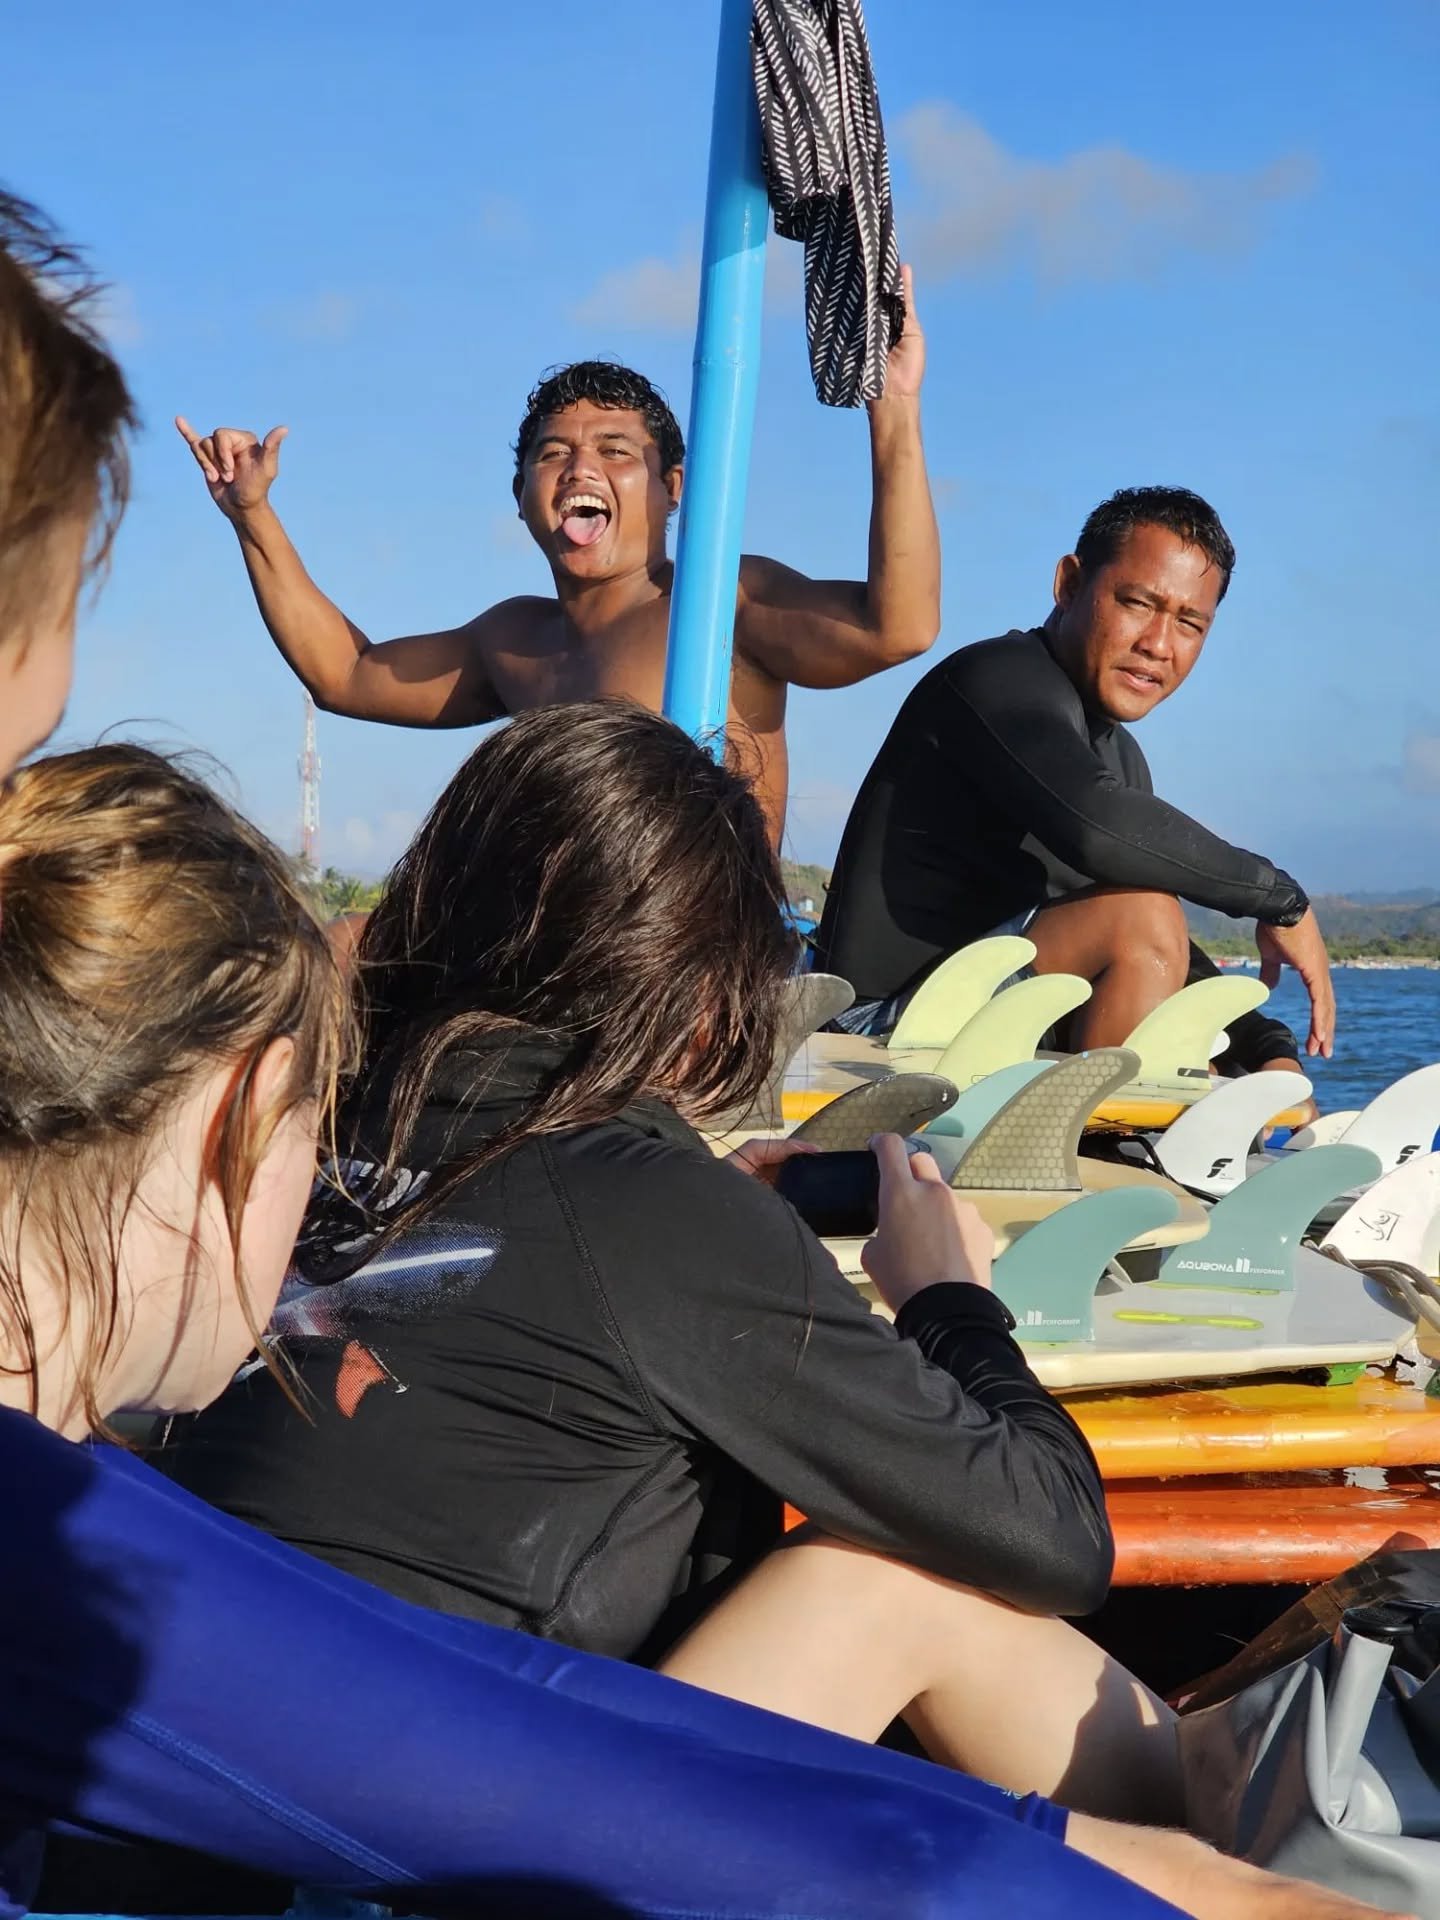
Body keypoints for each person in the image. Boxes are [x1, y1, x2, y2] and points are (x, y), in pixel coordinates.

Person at [160, 701, 1385, 1920]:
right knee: (897, 1582)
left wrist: (705, 1221)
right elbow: (1056, 1536)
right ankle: (1302, 1840)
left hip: (244, 1814)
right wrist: (951, 1300)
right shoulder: (637, 1205)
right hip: (446, 1870)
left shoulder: (303, 1148)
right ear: (701, 991)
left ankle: (1264, 1833)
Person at [174, 267, 942, 845]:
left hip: (704, 967)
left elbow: (898, 627)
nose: (580, 470)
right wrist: (252, 515)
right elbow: (345, 674)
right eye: (554, 455)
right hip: (563, 963)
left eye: (615, 451)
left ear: (673, 488)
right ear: (521, 496)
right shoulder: (515, 641)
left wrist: (896, 412)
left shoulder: (722, 601)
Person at [813, 486, 1334, 1102]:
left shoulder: (1120, 759)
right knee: (1142, 919)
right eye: (1138, 603)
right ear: (1068, 584)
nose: (1158, 643)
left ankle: (1148, 1131)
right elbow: (1098, 832)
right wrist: (1279, 899)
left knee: (1220, 1064)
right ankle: (1108, 1145)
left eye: (1188, 623)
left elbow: (1162, 942)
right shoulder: (993, 680)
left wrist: (1266, 1049)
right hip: (873, 1038)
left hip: (980, 1021)